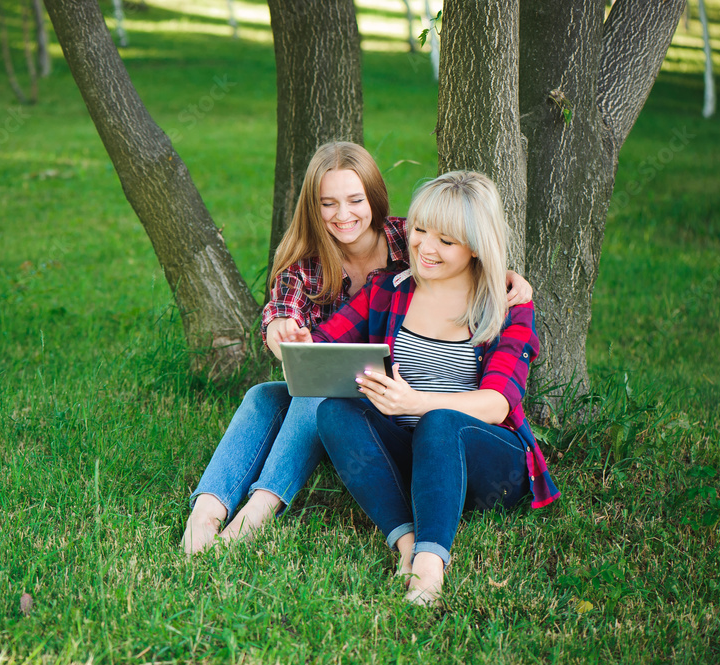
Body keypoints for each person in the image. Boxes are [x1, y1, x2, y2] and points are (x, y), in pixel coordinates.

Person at [181, 144, 533, 555]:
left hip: (415, 417)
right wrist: (286, 334)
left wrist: (504, 275)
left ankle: (260, 508)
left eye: (354, 200)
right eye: (328, 203)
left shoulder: (412, 238)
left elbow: (462, 243)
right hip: (364, 408)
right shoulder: (315, 267)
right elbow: (293, 322)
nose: (342, 214)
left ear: (375, 200)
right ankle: (207, 510)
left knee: (353, 401)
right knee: (274, 394)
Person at [307, 171, 560, 605]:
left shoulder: (507, 306)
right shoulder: (387, 289)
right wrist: (290, 333)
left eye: (447, 240)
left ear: (477, 246)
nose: (425, 246)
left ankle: (429, 568)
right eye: (420, 230)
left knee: (440, 422)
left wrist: (415, 402)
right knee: (334, 410)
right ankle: (405, 542)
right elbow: (320, 346)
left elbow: (498, 403)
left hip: (486, 466)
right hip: (407, 456)